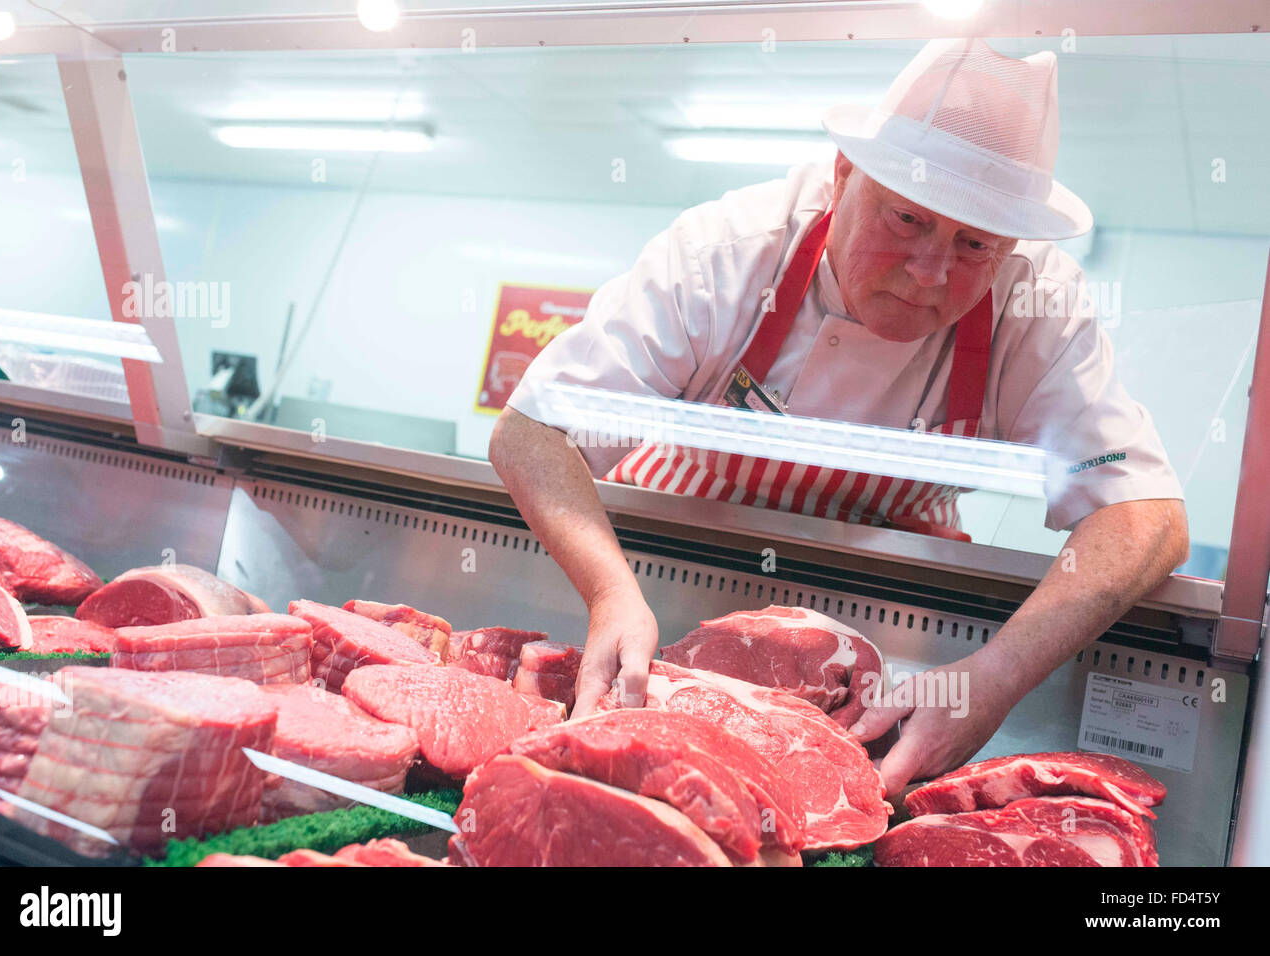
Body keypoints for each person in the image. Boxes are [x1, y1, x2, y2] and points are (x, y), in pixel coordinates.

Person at [487, 38, 1188, 797]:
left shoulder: (1034, 304)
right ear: (845, 174)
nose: (931, 273)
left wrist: (992, 679)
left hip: (882, 638)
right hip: (668, 584)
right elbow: (531, 430)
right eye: (909, 220)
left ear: (1011, 246)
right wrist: (611, 593)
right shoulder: (729, 251)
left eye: (974, 244)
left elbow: (1146, 516)